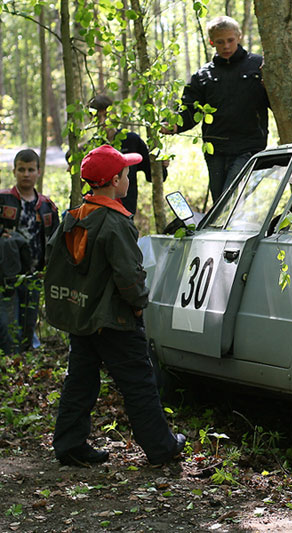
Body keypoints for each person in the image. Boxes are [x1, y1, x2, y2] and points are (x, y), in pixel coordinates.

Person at [44, 145, 185, 466]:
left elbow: (53, 260)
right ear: (113, 181)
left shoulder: (74, 216)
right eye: (126, 173)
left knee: (80, 380)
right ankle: (162, 447)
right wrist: (138, 305)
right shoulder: (115, 223)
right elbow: (129, 275)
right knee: (139, 383)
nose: (129, 178)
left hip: (83, 318)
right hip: (115, 321)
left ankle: (68, 444)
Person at [163, 15, 270, 203]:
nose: (226, 46)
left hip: (249, 146)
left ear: (239, 37)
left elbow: (277, 101)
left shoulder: (258, 66)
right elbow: (190, 111)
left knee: (230, 200)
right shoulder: (203, 75)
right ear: (212, 42)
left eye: (230, 40)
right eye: (220, 42)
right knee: (219, 203)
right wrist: (174, 126)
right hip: (216, 150)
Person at [0, 149, 59, 353]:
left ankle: (26, 357)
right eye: (21, 169)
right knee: (8, 322)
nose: (26, 174)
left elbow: (55, 240)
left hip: (34, 273)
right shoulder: (3, 200)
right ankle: (10, 362)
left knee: (29, 318)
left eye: (30, 170)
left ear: (38, 172)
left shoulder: (46, 206)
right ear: (14, 171)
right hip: (6, 275)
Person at [87, 94, 168, 215]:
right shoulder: (91, 147)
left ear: (114, 114)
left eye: (106, 115)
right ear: (91, 119)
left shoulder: (131, 140)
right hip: (98, 213)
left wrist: (162, 165)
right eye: (98, 117)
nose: (103, 121)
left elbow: (153, 175)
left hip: (126, 211)